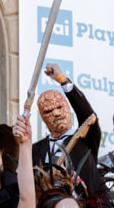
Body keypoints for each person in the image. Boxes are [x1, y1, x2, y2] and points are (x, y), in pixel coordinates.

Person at [31, 63, 101, 195]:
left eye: (60, 107)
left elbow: (89, 115)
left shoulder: (85, 138)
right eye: (49, 111)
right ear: (43, 117)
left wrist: (62, 79)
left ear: (69, 109)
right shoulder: (35, 150)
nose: (56, 113)